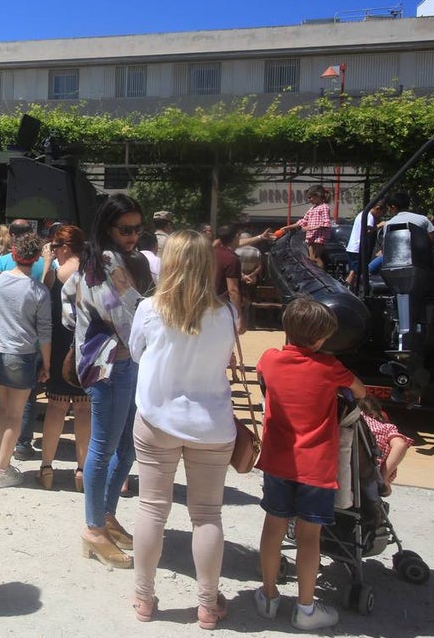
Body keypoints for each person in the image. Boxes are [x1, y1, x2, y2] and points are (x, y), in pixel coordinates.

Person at [126, 230, 237, 627]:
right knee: (207, 516)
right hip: (212, 424)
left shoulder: (149, 309)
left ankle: (143, 598)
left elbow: (137, 354)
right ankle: (208, 603)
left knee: (152, 509)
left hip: (157, 418)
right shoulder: (227, 313)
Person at [255, 297, 366, 631]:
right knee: (309, 537)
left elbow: (264, 380)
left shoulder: (269, 360)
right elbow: (358, 391)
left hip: (278, 460)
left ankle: (269, 596)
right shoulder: (331, 368)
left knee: (273, 527)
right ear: (321, 340)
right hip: (315, 465)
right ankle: (305, 608)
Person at [72, 193, 154, 569]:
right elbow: (130, 312)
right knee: (105, 449)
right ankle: (93, 528)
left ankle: (104, 516)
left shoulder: (114, 259)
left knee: (126, 447)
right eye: (126, 229)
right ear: (109, 227)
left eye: (138, 229)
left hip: (124, 362)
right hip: (110, 366)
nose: (133, 235)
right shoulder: (105, 260)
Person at [0, 233, 51, 488]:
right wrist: (47, 365)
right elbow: (45, 331)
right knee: (15, 415)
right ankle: (4, 469)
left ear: (13, 254)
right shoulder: (39, 291)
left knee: (0, 411)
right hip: (23, 355)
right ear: (36, 258)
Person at [38, 224, 88, 492]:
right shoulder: (92, 273)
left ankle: (46, 468)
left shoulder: (56, 274)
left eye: (55, 247)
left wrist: (47, 263)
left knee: (55, 408)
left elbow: (42, 293)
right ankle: (81, 471)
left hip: (59, 346)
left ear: (65, 247)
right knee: (83, 409)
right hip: (86, 348)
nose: (53, 252)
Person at [358, 397, 414, 496]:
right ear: (376, 413)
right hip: (369, 476)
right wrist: (383, 479)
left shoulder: (350, 419)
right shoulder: (386, 428)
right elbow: (400, 445)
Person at [282, 185, 331, 267]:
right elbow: (303, 221)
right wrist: (287, 227)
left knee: (315, 257)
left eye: (310, 197)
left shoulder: (324, 207)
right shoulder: (312, 209)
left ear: (318, 195)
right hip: (312, 236)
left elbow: (326, 223)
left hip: (319, 237)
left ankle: (320, 276)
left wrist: (310, 228)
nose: (309, 200)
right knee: (311, 258)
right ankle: (315, 274)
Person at [213, 225, 245, 335]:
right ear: (236, 236)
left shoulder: (213, 253)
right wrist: (239, 316)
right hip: (223, 307)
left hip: (208, 304)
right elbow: (233, 290)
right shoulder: (232, 259)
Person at [345, 201, 384, 289]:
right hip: (358, 248)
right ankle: (347, 286)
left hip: (353, 247)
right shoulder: (369, 216)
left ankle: (352, 288)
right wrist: (379, 225)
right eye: (382, 213)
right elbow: (366, 231)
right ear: (377, 208)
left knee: (355, 271)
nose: (381, 215)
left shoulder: (363, 213)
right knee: (354, 272)